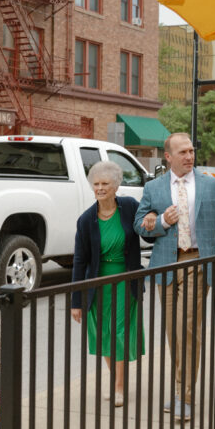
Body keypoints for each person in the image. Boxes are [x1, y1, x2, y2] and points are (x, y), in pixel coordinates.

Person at [134, 132, 215, 421]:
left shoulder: (211, 185)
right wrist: (160, 222)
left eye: (191, 151)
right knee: (175, 332)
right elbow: (140, 224)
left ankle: (183, 395)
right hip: (167, 265)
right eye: (182, 152)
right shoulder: (154, 187)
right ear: (168, 157)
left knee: (188, 328)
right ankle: (180, 388)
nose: (189, 156)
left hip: (199, 260)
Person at [71, 160, 143, 408]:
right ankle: (117, 379)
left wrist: (154, 216)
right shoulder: (85, 219)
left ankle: (119, 386)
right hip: (98, 283)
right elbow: (79, 262)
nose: (100, 188)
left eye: (105, 184)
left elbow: (147, 217)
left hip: (124, 279)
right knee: (103, 334)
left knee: (119, 332)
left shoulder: (130, 207)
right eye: (96, 184)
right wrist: (76, 301)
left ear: (116, 186)